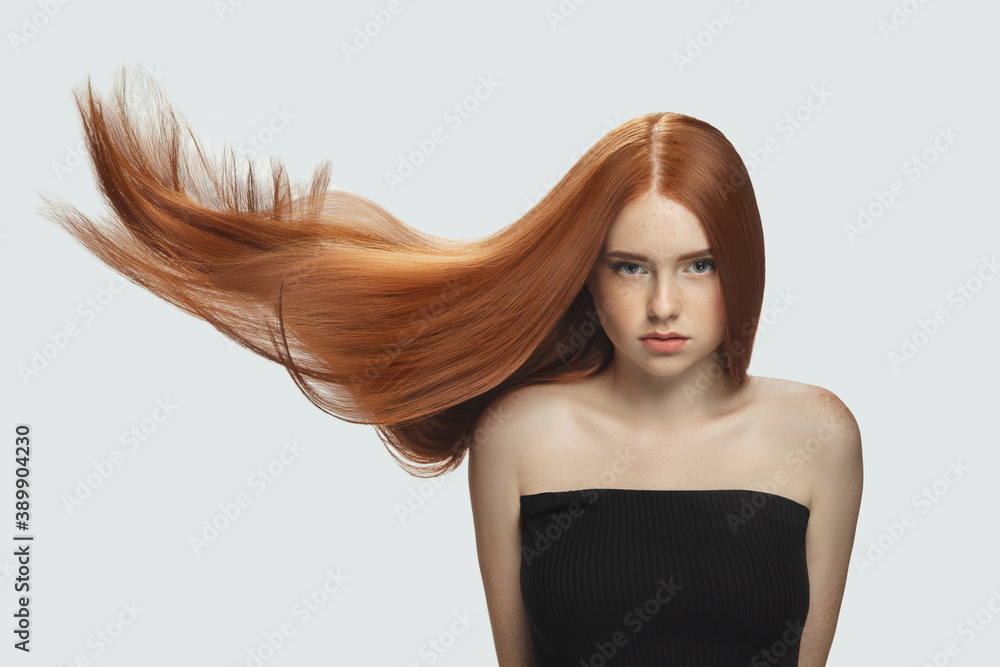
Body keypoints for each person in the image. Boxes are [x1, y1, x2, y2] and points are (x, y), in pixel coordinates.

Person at [39, 66, 862, 665]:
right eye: (629, 266)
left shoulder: (817, 435)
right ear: (585, 271)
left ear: (742, 264)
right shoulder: (521, 436)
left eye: (699, 264)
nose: (663, 306)